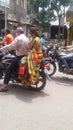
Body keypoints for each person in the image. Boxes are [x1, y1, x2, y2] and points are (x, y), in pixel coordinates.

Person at [0, 27, 29, 92]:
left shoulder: (18, 38)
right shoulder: (26, 38)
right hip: (25, 56)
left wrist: (1, 49)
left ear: (18, 32)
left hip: (20, 57)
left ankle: (5, 86)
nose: (16, 33)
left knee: (8, 69)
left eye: (16, 32)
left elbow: (11, 46)